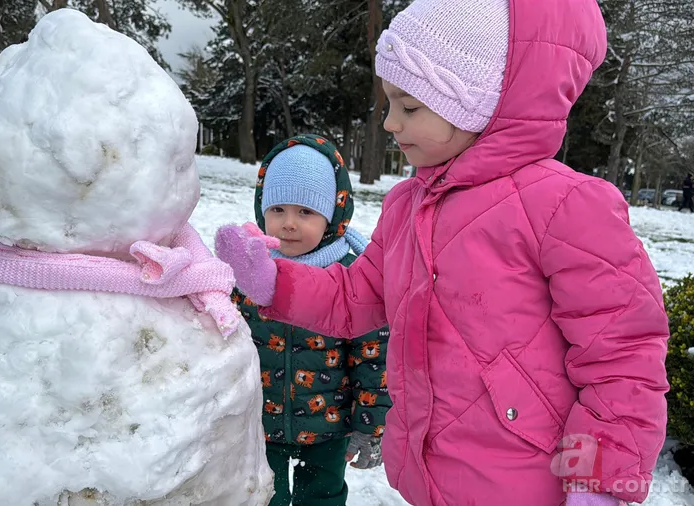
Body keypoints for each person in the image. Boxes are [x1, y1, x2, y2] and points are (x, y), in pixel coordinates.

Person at [213, 1, 669, 505]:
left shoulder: (563, 205)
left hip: (531, 485)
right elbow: (355, 298)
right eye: (389, 105)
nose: (389, 124)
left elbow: (621, 359)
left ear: (481, 103)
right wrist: (275, 281)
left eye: (410, 107)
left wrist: (597, 481)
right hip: (432, 477)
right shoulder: (406, 206)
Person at [234, 135, 391, 506]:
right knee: (260, 496)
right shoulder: (247, 273)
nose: (288, 224)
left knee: (322, 499)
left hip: (328, 428)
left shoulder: (351, 279)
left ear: (331, 217)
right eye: (278, 210)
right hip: (258, 425)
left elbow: (373, 357)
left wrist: (370, 427)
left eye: (305, 212)